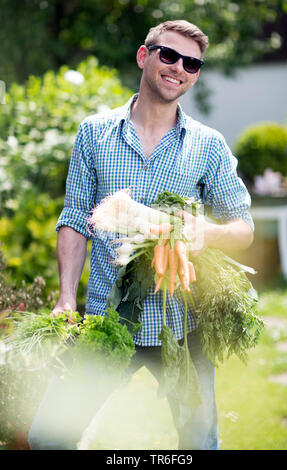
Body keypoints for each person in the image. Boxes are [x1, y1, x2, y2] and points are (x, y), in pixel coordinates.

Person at [28, 19, 254, 450]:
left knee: (199, 443)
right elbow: (75, 218)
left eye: (192, 63)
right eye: (168, 55)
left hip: (181, 324)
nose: (179, 68)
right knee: (47, 439)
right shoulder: (94, 133)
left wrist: (206, 231)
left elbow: (243, 227)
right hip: (105, 319)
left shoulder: (208, 145)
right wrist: (65, 298)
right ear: (143, 56)